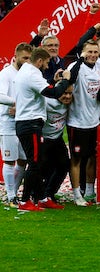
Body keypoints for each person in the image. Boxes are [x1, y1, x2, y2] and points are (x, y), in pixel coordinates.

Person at [14, 47, 75, 211]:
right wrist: (65, 81)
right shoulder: (32, 74)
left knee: (38, 162)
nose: (48, 67)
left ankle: (41, 198)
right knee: (34, 164)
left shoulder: (26, 69)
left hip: (27, 122)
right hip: (30, 123)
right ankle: (25, 200)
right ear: (40, 61)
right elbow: (54, 92)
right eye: (47, 63)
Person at [66, 40, 100, 206]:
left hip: (94, 122)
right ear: (82, 53)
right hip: (77, 123)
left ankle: (90, 191)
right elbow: (69, 78)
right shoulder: (76, 67)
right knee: (76, 160)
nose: (93, 55)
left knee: (93, 157)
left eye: (95, 52)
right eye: (89, 52)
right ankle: (77, 194)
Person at [0, 42, 32, 207]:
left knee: (23, 160)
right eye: (24, 58)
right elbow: (0, 96)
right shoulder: (6, 74)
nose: (27, 61)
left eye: (29, 58)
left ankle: (14, 192)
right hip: (7, 123)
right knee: (9, 160)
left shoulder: (27, 75)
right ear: (16, 56)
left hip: (22, 122)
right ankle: (11, 196)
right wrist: (18, 103)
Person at [41, 85, 74, 208]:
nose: (67, 96)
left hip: (57, 138)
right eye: (64, 93)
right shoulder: (46, 101)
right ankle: (37, 194)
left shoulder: (71, 102)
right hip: (44, 138)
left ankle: (49, 193)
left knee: (64, 164)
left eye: (70, 93)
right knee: (42, 168)